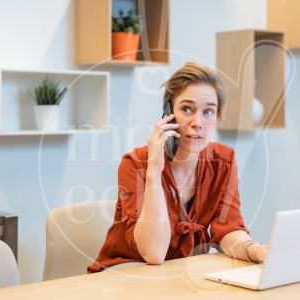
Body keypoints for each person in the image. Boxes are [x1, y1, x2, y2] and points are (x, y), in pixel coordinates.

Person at [87, 62, 268, 273]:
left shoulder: (223, 161)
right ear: (168, 114)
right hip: (126, 272)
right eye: (187, 109)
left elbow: (228, 229)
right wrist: (154, 171)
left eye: (208, 111)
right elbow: (153, 253)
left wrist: (256, 251)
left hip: (179, 274)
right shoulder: (136, 164)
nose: (197, 122)